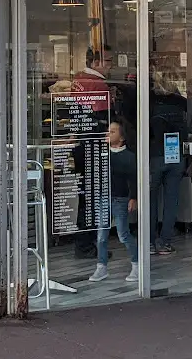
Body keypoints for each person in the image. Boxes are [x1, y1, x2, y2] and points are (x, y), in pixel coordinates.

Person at [149, 71, 192, 255]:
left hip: (154, 156)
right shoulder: (181, 102)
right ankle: (164, 242)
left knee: (150, 200)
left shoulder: (149, 102)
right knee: (171, 200)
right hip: (176, 155)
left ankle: (149, 242)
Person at [72, 45, 113, 259]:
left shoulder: (77, 80)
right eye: (108, 61)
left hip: (80, 144)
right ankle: (86, 244)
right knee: (93, 197)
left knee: (85, 196)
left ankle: (85, 243)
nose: (111, 65)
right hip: (94, 146)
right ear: (95, 63)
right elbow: (104, 120)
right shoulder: (98, 84)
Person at [89, 119, 138, 283]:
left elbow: (133, 178)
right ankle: (101, 266)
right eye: (108, 131)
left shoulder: (129, 156)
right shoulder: (102, 154)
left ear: (122, 137)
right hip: (103, 197)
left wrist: (133, 197)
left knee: (123, 234)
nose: (108, 134)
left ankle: (137, 264)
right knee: (101, 235)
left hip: (121, 198)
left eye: (113, 131)